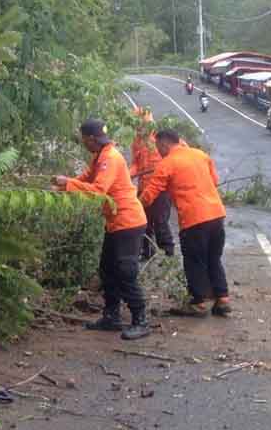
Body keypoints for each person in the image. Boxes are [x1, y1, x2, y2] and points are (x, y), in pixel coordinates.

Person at [53, 119, 151, 340]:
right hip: (115, 222)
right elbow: (86, 178)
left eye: (83, 139)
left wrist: (68, 183)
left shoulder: (110, 158)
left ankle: (141, 320)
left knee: (126, 271)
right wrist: (63, 186)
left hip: (128, 221)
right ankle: (112, 316)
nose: (82, 143)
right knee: (107, 269)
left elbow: (98, 191)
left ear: (90, 139)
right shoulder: (99, 156)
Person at [139, 130, 230, 317]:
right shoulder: (200, 154)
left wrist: (135, 206)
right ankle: (222, 299)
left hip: (194, 219)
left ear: (164, 144)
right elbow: (214, 181)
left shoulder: (167, 163)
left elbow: (151, 193)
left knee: (194, 261)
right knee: (213, 258)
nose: (158, 151)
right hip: (216, 214)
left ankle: (199, 303)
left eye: (158, 147)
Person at [128, 107, 175, 257]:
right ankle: (147, 251)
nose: (140, 128)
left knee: (161, 221)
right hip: (144, 187)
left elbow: (176, 155)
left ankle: (168, 252)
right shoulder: (136, 141)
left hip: (161, 189)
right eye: (138, 126)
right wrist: (129, 173)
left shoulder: (161, 139)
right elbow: (136, 162)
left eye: (143, 125)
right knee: (143, 221)